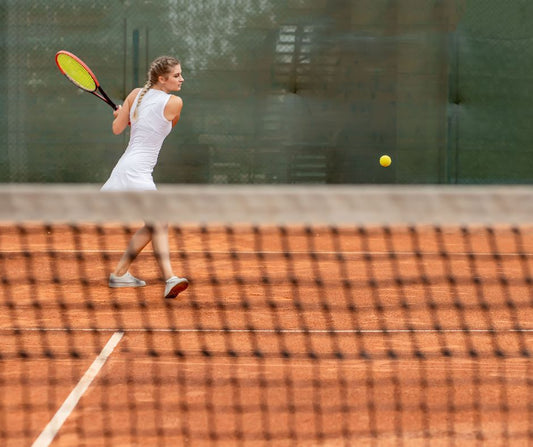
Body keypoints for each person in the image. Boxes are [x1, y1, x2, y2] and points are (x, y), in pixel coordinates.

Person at [101, 56, 188, 299]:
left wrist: (124, 114)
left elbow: (117, 128)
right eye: (177, 75)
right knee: (159, 220)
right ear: (162, 79)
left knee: (155, 223)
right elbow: (167, 125)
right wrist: (128, 115)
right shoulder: (175, 103)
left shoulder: (135, 94)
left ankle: (120, 274)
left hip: (126, 168)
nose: (182, 79)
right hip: (136, 171)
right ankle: (170, 278)